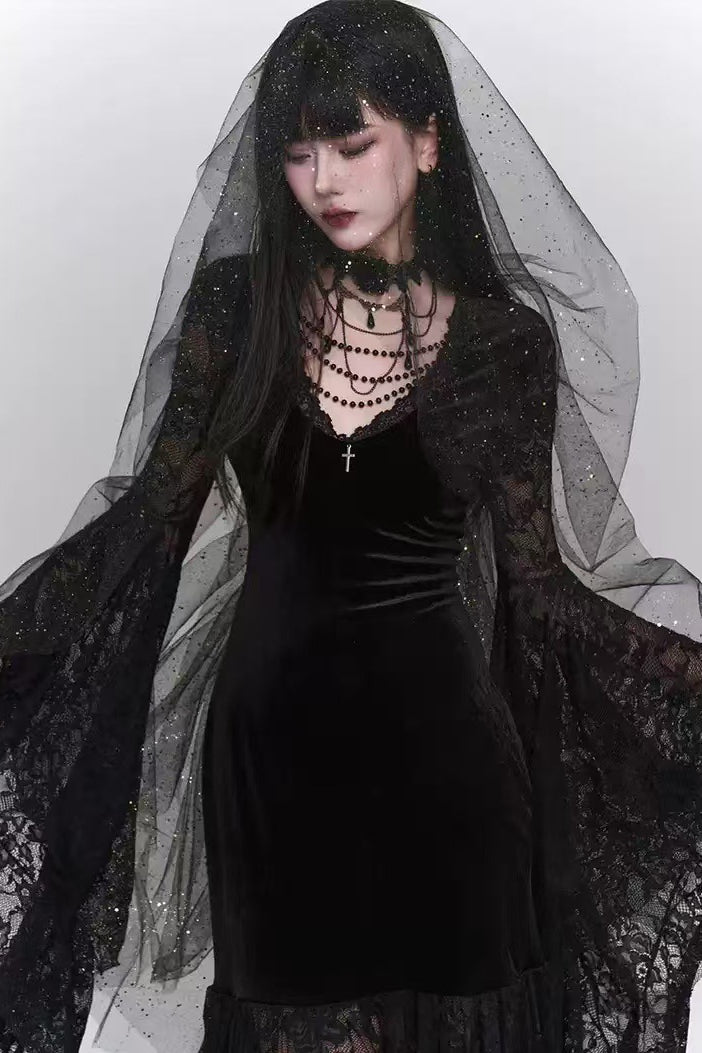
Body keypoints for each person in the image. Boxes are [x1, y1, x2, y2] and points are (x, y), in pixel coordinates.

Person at [1, 2, 702, 1051]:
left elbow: (544, 596)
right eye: (297, 152)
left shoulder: (503, 345)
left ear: (427, 142)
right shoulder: (237, 311)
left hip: (449, 772)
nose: (322, 179)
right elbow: (146, 528)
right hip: (269, 770)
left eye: (350, 142)